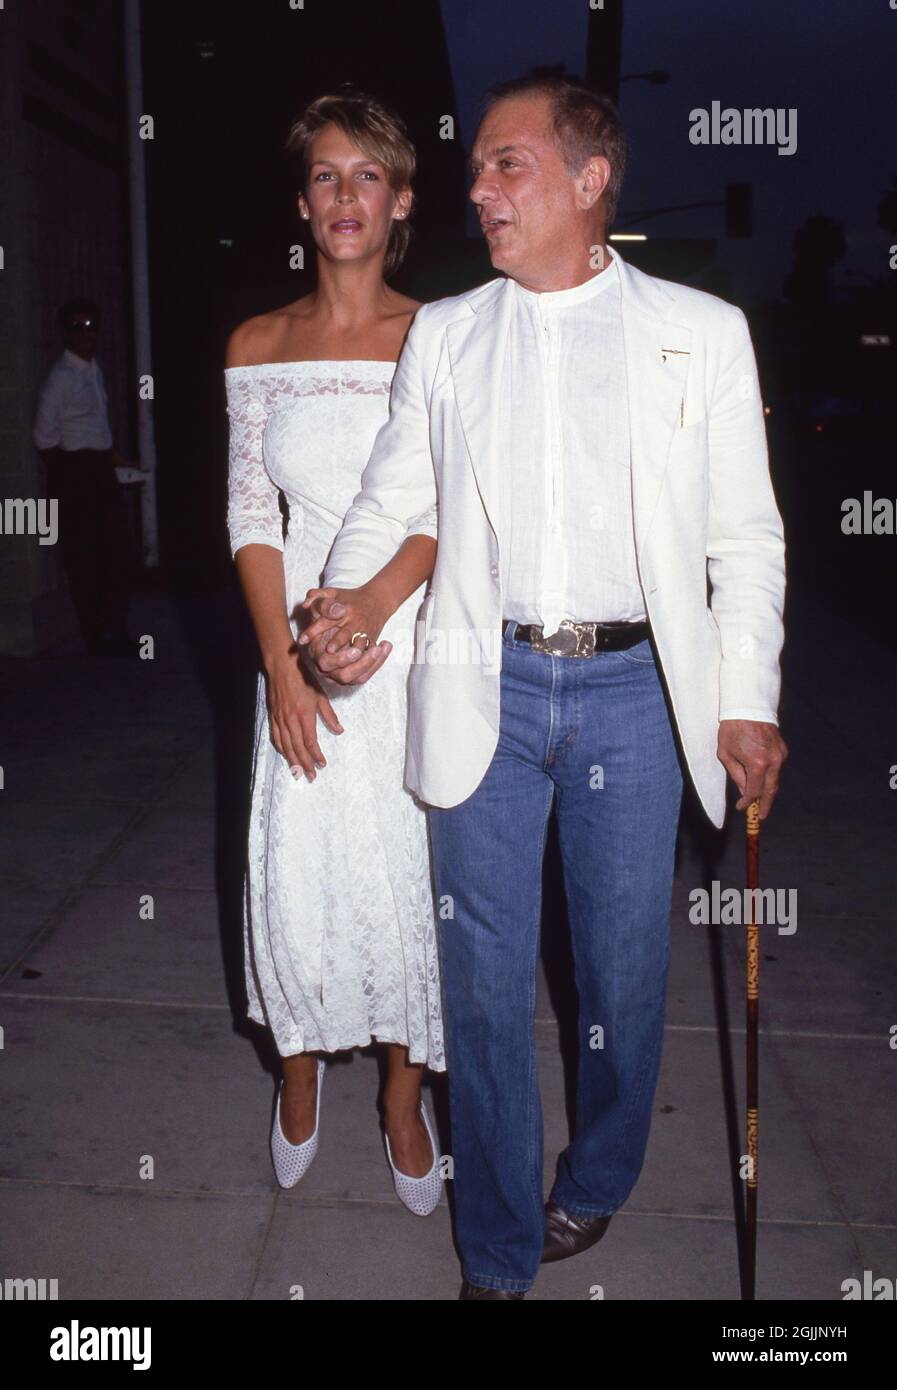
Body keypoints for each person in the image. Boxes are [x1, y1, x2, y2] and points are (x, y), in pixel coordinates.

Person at [300, 70, 788, 1297]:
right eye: (478, 169)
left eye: (508, 164)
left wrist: (749, 697)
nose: (479, 187)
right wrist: (342, 608)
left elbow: (747, 540)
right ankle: (500, 1252)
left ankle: (600, 1179)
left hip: (634, 687)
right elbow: (389, 501)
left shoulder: (702, 333)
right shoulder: (450, 336)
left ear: (589, 180)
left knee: (621, 976)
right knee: (482, 983)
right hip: (486, 684)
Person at [225, 90, 444, 1214]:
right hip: (298, 652)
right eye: (325, 175)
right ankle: (300, 1069)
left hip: (409, 648)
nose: (344, 195)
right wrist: (283, 663)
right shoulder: (259, 345)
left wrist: (369, 611)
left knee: (412, 883)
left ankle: (403, 1098)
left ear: (401, 200)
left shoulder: (442, 336)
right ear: (303, 199)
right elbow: (252, 517)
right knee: (302, 877)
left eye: (368, 177)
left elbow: (450, 509)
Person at [33, 299, 139, 656]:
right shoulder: (59, 379)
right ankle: (96, 638)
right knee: (85, 557)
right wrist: (67, 475)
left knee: (118, 552)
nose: (85, 334)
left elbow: (96, 425)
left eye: (90, 325)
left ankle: (117, 630)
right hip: (75, 473)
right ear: (66, 333)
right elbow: (44, 436)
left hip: (100, 470)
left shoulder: (92, 369)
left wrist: (116, 460)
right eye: (77, 327)